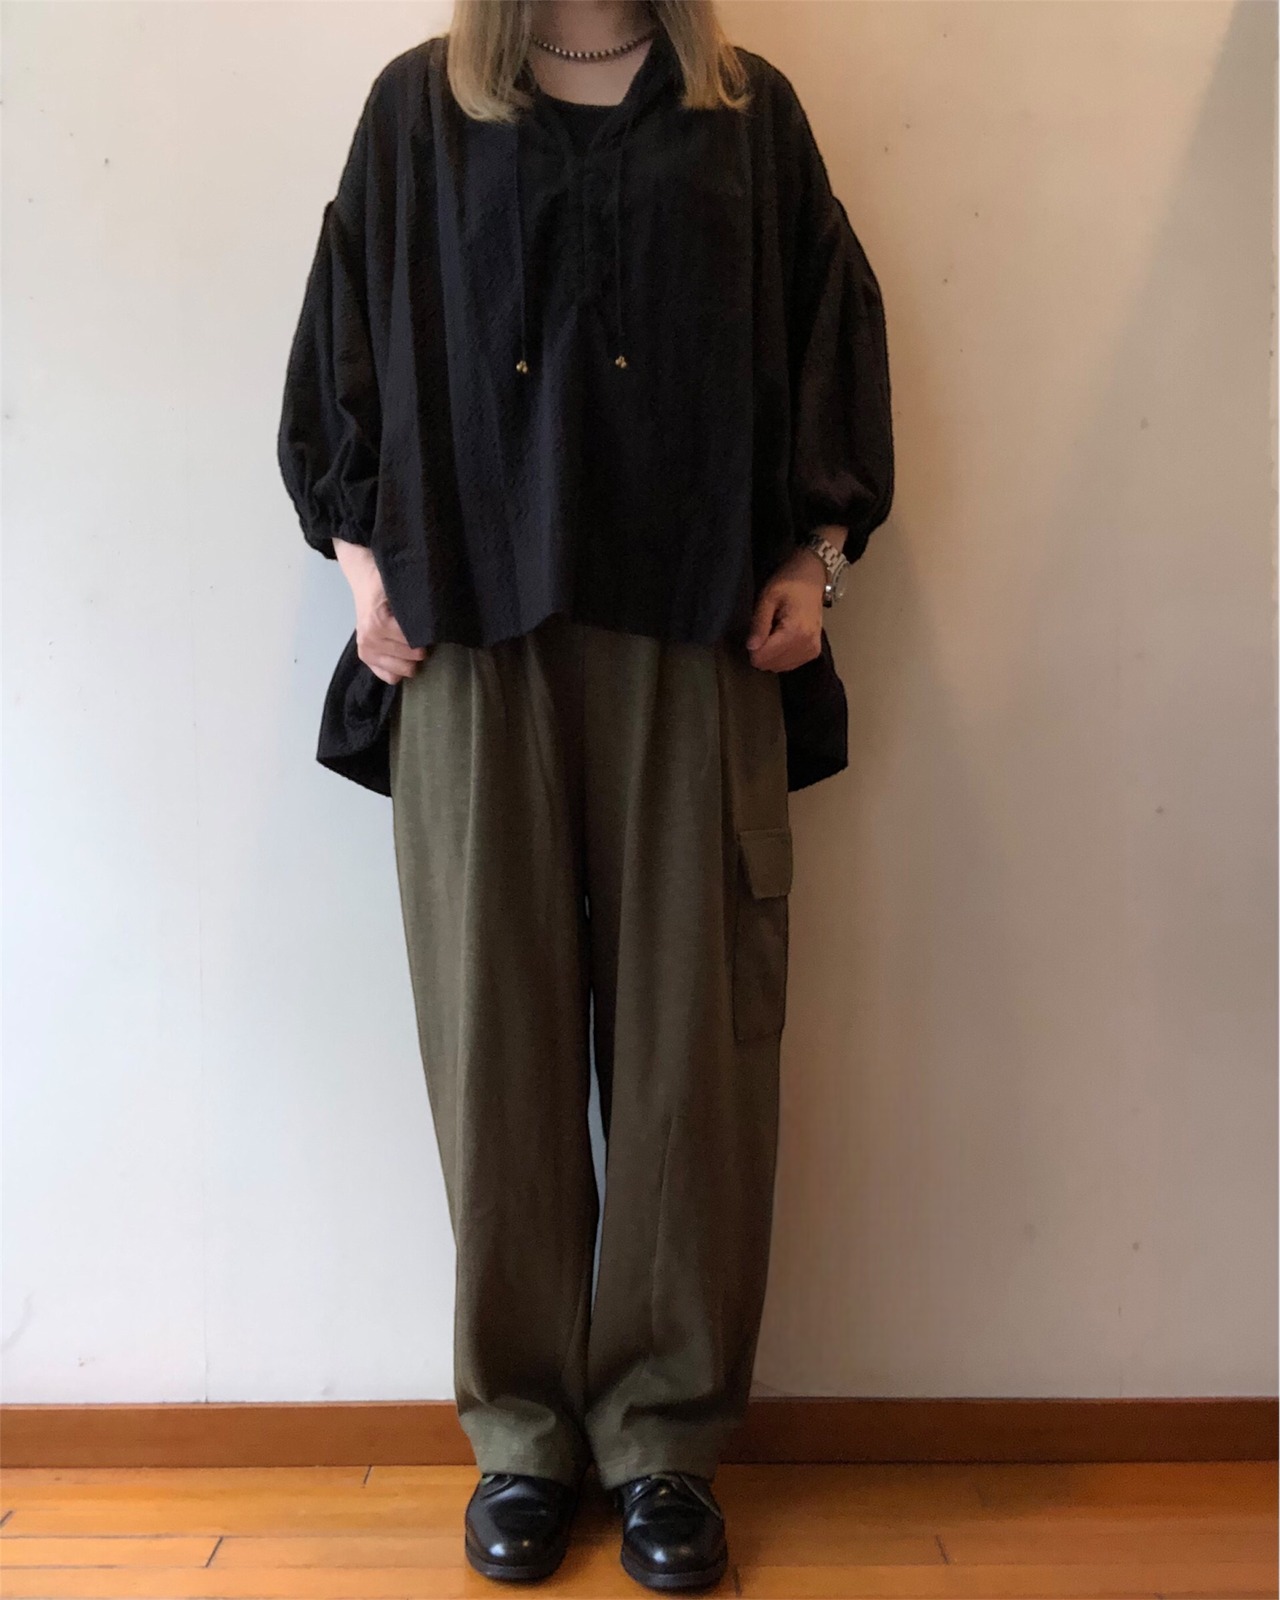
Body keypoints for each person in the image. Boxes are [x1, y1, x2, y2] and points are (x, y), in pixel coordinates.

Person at [276, 0, 893, 1589]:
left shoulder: (745, 112)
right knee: (497, 1042)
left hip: (696, 631)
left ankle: (664, 1438)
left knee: (697, 1048)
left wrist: (816, 553)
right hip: (470, 635)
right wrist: (361, 564)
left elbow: (829, 328)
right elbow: (342, 344)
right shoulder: (420, 112)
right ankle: (525, 1436)